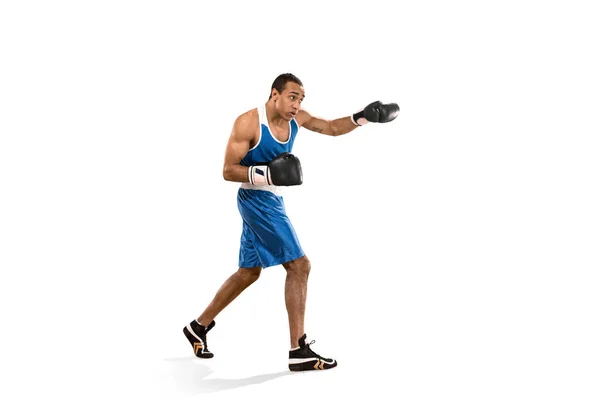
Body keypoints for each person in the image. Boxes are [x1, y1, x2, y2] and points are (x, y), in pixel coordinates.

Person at [183, 73, 399, 371]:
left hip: (271, 200)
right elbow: (228, 171)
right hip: (256, 200)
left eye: (301, 99)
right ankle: (299, 350)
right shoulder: (248, 122)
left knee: (248, 272)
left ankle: (198, 326)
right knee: (299, 265)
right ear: (275, 94)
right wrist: (267, 174)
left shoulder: (297, 119)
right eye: (292, 97)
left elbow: (333, 128)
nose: (296, 104)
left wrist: (364, 117)